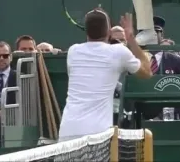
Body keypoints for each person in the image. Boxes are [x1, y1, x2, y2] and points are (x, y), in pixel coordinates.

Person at [58, 10, 152, 142]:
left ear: (86, 31)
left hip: (67, 131)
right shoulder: (119, 52)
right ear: (109, 31)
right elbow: (147, 72)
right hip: (97, 135)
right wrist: (130, 38)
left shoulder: (73, 51)